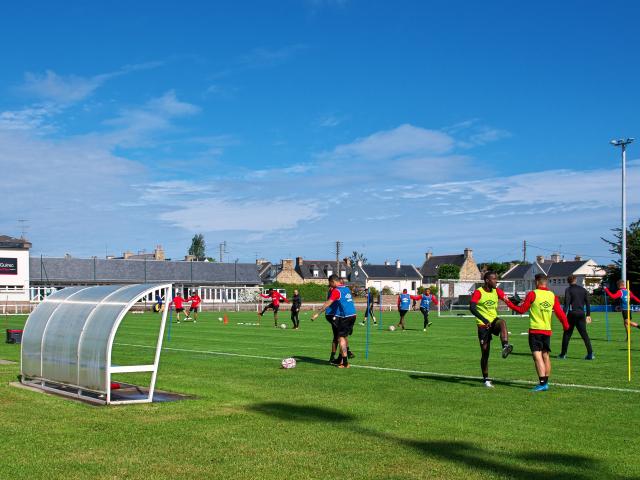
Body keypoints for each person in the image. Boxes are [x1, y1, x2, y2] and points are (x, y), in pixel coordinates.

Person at [504, 273, 569, 392]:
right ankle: (546, 382)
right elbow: (560, 313)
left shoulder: (533, 294)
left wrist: (508, 303)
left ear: (537, 282)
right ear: (546, 282)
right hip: (547, 330)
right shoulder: (552, 295)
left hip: (535, 330)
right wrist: (566, 325)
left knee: (537, 356)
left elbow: (522, 310)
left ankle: (542, 383)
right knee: (545, 355)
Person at [469, 271, 514, 388]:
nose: (496, 281)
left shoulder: (497, 291)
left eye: (496, 279)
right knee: (485, 353)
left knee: (502, 322)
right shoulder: (478, 292)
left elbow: (507, 300)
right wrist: (484, 320)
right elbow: (472, 308)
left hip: (493, 321)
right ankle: (486, 379)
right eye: (494, 279)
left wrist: (517, 302)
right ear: (487, 280)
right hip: (483, 325)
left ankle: (505, 346)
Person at [311, 275, 357, 368]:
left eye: (330, 283)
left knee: (340, 338)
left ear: (332, 282)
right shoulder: (347, 289)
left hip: (345, 317)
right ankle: (341, 359)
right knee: (343, 337)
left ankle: (345, 363)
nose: (330, 285)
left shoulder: (336, 291)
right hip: (353, 315)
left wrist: (317, 313)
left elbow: (328, 303)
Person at [559, 275, 593, 360]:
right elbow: (588, 303)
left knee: (567, 334)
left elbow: (566, 304)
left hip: (572, 314)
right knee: (584, 335)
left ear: (568, 281)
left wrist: (563, 315)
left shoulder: (568, 290)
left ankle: (563, 354)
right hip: (581, 314)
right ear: (575, 280)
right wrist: (588, 315)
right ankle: (590, 354)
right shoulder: (583, 290)